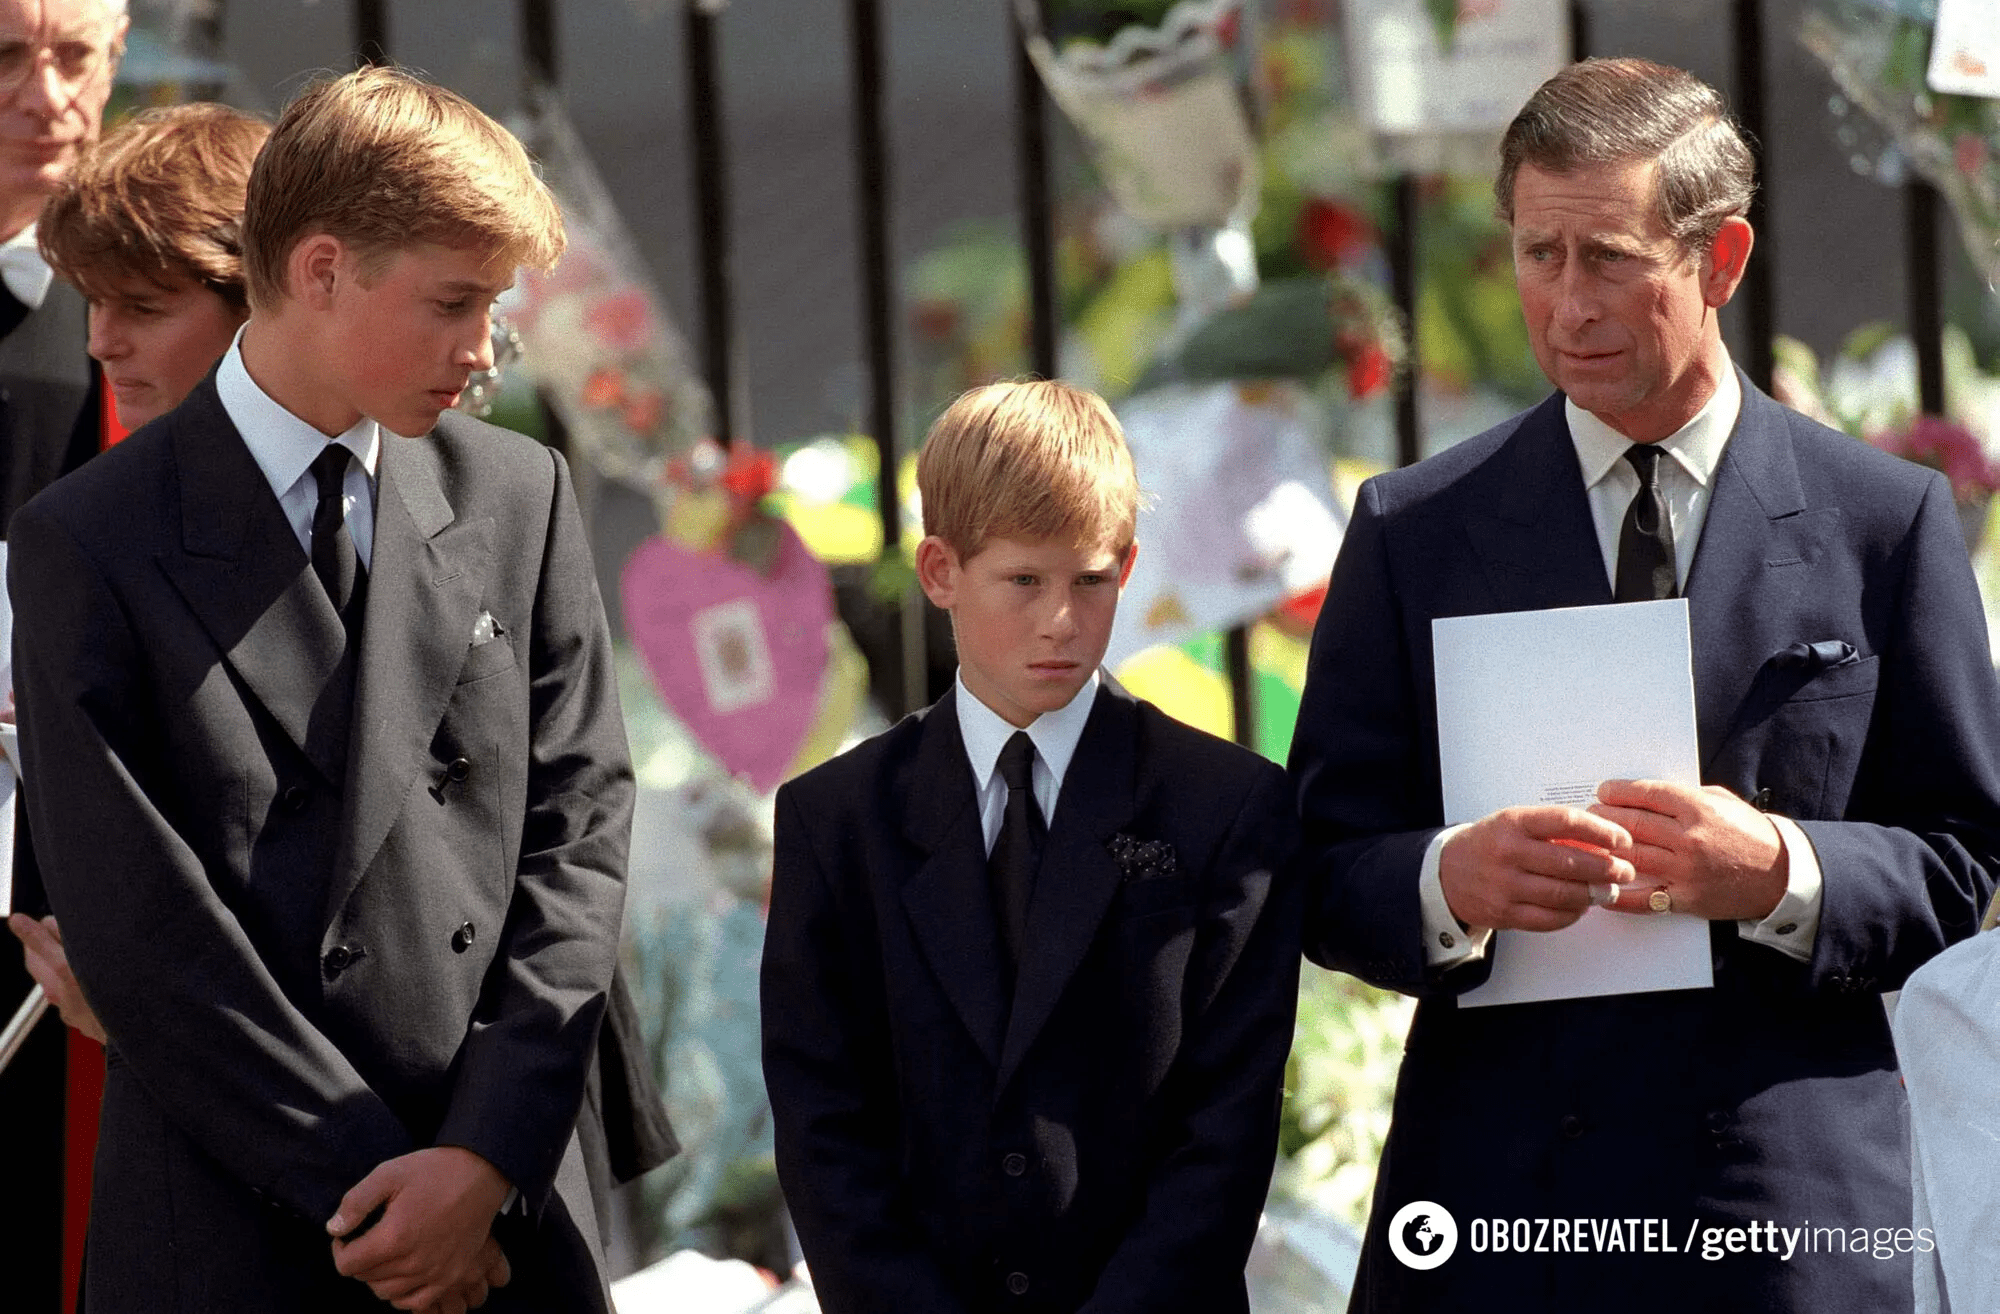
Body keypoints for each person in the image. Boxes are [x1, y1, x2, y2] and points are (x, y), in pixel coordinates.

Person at [1288, 57, 2000, 1312]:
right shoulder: (1414, 526)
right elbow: (1314, 861)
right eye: (1535, 255)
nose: (1565, 302)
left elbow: (1967, 857)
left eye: (1607, 257)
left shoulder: (1880, 520)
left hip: (1784, 1200)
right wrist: (1443, 882)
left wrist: (1783, 871)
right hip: (1498, 1196)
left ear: (1718, 263)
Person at [10, 65, 633, 1312]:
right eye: (452, 304)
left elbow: (582, 831)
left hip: (497, 1217)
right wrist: (381, 1193)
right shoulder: (88, 536)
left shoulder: (519, 493)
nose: (479, 351)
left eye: (492, 308)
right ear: (321, 269)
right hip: (236, 1222)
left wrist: (479, 1161)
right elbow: (146, 929)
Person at [761, 380, 1303, 1314]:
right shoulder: (834, 821)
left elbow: (1226, 1129)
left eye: (1091, 580)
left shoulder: (1224, 805)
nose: (1062, 618)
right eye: (1024, 581)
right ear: (939, 573)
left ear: (1128, 569)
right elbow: (823, 1126)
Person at [0, 0, 125, 1302]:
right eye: (3, 60)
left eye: (77, 58)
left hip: (71, 888)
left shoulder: (146, 308)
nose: (46, 97)